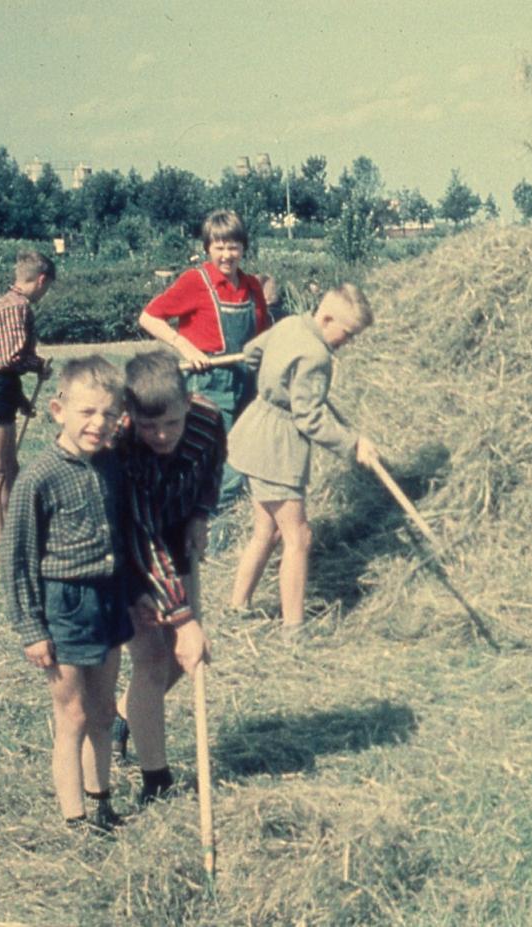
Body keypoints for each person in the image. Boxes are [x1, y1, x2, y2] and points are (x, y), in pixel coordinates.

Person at [1, 356, 132, 831]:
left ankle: (102, 802)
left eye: (109, 414)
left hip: (110, 598)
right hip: (66, 605)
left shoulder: (113, 465)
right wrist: (32, 628)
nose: (99, 423)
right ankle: (74, 816)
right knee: (72, 713)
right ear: (58, 410)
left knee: (102, 708)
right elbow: (17, 559)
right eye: (87, 412)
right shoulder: (38, 478)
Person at [227, 284, 379, 628]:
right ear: (327, 319)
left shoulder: (290, 324)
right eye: (348, 334)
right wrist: (353, 444)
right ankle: (294, 630)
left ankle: (236, 607)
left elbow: (252, 353)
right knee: (299, 537)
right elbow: (309, 417)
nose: (348, 342)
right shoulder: (317, 356)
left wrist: (277, 380)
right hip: (277, 448)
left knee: (266, 529)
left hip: (255, 428)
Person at [113, 350, 223, 801]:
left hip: (175, 540)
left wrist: (200, 511)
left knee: (184, 659)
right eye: (148, 425)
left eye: (172, 423)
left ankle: (125, 717)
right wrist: (182, 618)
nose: (161, 435)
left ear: (188, 403)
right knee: (153, 659)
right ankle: (156, 779)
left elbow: (212, 469)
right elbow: (139, 535)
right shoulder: (120, 446)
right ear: (130, 414)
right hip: (127, 553)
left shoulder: (209, 420)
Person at [138, 210, 272, 512]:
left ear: (243, 247)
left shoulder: (252, 286)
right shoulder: (195, 282)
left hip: (247, 382)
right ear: (207, 248)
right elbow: (149, 316)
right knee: (223, 466)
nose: (227, 255)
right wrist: (185, 346)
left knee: (248, 456)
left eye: (233, 246)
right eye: (219, 247)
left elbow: (263, 336)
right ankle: (211, 541)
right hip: (210, 382)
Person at [0, 250, 55, 544]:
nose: (46, 293)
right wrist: (38, 365)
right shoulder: (16, 307)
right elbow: (11, 357)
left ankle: (14, 532)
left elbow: (6, 364)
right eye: (48, 287)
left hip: (0, 387)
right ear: (41, 280)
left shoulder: (10, 303)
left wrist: (20, 399)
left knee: (9, 467)